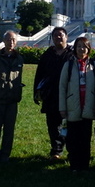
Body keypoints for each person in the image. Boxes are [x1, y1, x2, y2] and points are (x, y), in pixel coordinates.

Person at [59, 37, 95, 172]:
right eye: (79, 46)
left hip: (88, 105)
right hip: (72, 105)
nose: (81, 49)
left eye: (84, 46)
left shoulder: (93, 65)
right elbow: (62, 87)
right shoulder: (69, 65)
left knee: (85, 138)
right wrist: (62, 107)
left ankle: (84, 165)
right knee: (73, 138)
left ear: (88, 49)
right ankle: (74, 164)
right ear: (75, 48)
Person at [34, 27, 73, 161]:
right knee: (53, 124)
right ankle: (56, 150)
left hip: (68, 94)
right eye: (55, 35)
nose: (58, 37)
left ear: (66, 37)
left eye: (60, 35)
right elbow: (39, 74)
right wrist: (36, 92)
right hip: (51, 94)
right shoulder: (48, 54)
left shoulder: (72, 54)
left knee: (69, 123)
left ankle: (71, 150)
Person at [0, 30, 24, 163]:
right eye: (9, 40)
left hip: (12, 98)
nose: (11, 42)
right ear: (4, 41)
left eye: (13, 40)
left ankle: (5, 154)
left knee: (9, 129)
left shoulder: (19, 58)